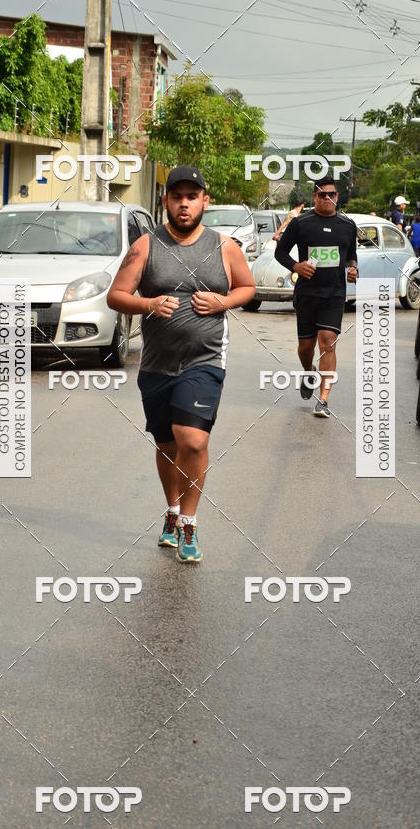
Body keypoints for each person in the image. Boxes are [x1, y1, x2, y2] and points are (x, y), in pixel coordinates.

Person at [106, 166, 255, 564]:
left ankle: (189, 522)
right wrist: (149, 304)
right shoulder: (145, 246)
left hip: (205, 361)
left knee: (193, 439)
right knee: (167, 443)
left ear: (205, 201)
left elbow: (247, 286)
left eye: (193, 196)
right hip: (156, 365)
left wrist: (223, 301)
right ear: (166, 201)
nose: (184, 203)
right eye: (177, 196)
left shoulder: (225, 247)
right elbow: (116, 296)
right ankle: (172, 511)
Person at [274, 175, 358, 418]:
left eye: (332, 194)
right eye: (322, 195)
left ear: (337, 197)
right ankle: (309, 372)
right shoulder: (301, 223)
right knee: (305, 347)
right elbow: (280, 252)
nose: (327, 198)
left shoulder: (347, 225)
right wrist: (296, 266)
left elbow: (351, 255)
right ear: (315, 197)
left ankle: (323, 400)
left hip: (333, 294)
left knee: (328, 340)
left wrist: (353, 269)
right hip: (307, 294)